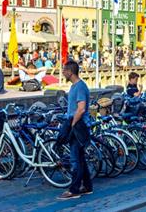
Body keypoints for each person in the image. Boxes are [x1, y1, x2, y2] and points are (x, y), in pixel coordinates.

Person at [58, 60, 92, 200]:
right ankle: (87, 186)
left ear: (70, 72)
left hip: (78, 127)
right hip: (77, 124)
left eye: (64, 70)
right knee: (80, 158)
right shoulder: (74, 87)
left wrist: (72, 124)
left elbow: (81, 108)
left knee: (75, 159)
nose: (63, 73)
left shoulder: (79, 87)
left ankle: (74, 189)